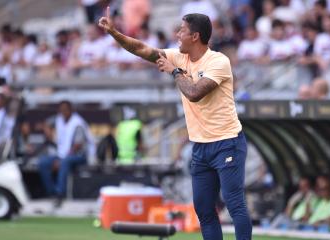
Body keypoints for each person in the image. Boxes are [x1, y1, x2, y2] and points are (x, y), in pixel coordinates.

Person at [99, 8, 252, 240]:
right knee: (203, 209)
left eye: (182, 30)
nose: (177, 34)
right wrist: (114, 33)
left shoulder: (218, 61)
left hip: (227, 142)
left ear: (195, 36)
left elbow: (194, 93)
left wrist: (175, 72)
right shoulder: (179, 56)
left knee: (234, 204)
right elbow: (141, 49)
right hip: (200, 147)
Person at [38, 101, 94, 205]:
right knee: (43, 162)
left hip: (80, 155)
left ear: (71, 110)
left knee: (65, 162)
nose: (63, 112)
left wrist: (61, 160)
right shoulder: (59, 119)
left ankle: (60, 194)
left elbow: (78, 146)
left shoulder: (78, 123)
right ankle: (51, 192)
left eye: (65, 110)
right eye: (61, 110)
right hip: (62, 154)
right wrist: (48, 131)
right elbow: (46, 123)